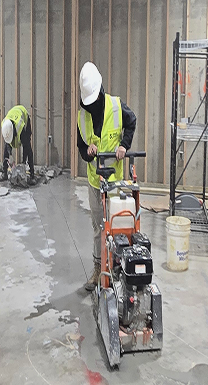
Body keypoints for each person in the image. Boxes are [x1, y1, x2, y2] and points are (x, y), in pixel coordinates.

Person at [76, 62, 137, 291]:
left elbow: (132, 122)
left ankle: (117, 268)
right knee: (98, 228)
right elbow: (81, 147)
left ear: (100, 91)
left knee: (117, 226)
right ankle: (98, 269)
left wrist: (123, 144)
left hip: (114, 183)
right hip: (94, 182)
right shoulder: (83, 116)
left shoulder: (116, 106)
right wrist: (89, 153)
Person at [0, 105, 35, 186]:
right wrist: (10, 155)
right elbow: (7, 143)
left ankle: (32, 175)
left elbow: (26, 147)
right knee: (6, 149)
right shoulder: (4, 125)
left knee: (28, 148)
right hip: (12, 120)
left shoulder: (20, 127)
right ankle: (4, 173)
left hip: (24, 116)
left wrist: (23, 162)